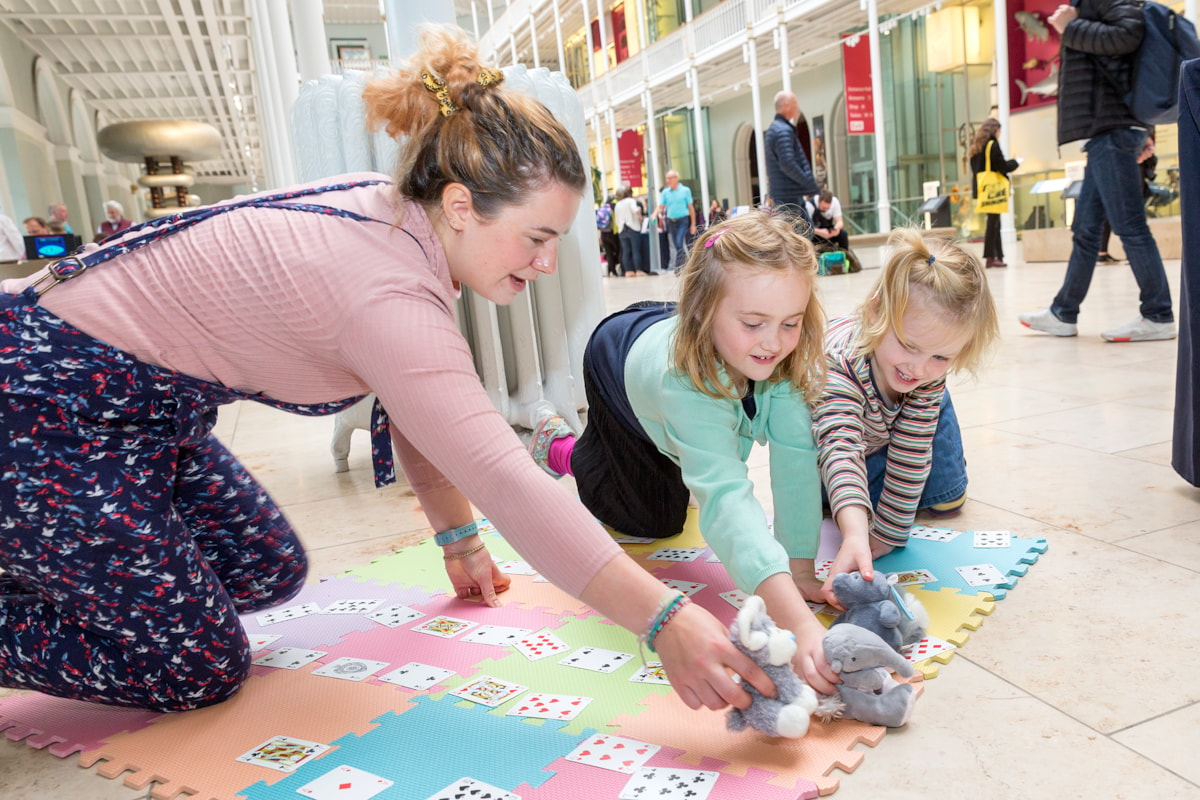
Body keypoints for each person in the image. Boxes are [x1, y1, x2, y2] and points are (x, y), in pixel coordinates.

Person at [0, 25, 776, 714]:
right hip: (42, 400)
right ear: (464, 205)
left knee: (268, 571)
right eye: (536, 238)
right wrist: (665, 620)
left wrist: (457, 539)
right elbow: (510, 480)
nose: (545, 264)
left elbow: (414, 409)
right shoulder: (388, 294)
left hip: (146, 412)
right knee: (196, 664)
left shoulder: (400, 222)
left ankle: (60, 554)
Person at [526, 211, 839, 694]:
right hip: (617, 357)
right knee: (649, 521)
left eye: (791, 323)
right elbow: (727, 500)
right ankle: (563, 448)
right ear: (703, 310)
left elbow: (796, 464)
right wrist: (797, 623)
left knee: (689, 467)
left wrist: (798, 569)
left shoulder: (782, 357)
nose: (774, 342)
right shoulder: (684, 381)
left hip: (675, 347)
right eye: (754, 323)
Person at [810, 229, 998, 607]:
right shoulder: (838, 364)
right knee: (838, 506)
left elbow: (913, 448)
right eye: (909, 346)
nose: (920, 367)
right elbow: (840, 448)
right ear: (877, 310)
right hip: (836, 438)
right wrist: (857, 533)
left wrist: (890, 533)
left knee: (947, 500)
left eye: (942, 357)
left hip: (891, 427)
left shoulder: (925, 369)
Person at [1018, 1, 1176, 343]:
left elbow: (1127, 37)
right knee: (1086, 230)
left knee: (1129, 225)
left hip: (1113, 128)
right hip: (1107, 130)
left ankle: (1159, 313)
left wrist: (1071, 27)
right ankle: (1064, 312)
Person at [1097, 131, 1158, 264]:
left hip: (1119, 183)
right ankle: (1135, 256)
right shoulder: (1137, 142)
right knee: (1132, 220)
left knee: (1112, 219)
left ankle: (1104, 253)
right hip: (1131, 186)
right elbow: (1150, 171)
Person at [764, 91, 817, 236]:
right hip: (788, 193)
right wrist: (809, 184)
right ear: (786, 106)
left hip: (789, 192)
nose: (797, 106)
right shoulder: (782, 131)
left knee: (806, 231)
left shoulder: (778, 129)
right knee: (798, 235)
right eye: (795, 103)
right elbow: (788, 163)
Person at [968, 117, 1019, 268]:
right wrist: (1015, 162)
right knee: (993, 223)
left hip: (983, 189)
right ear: (994, 130)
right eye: (999, 131)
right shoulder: (992, 145)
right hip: (993, 189)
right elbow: (1002, 166)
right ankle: (991, 256)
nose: (999, 134)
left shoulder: (976, 147)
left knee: (993, 222)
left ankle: (997, 256)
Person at [806, 190, 860, 273]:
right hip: (815, 233)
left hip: (829, 232)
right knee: (808, 238)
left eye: (828, 208)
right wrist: (820, 232)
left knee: (843, 234)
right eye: (824, 208)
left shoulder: (835, 202)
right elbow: (807, 227)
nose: (826, 210)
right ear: (819, 201)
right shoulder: (809, 205)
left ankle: (845, 259)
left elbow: (840, 221)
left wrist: (836, 229)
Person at [655, 170, 696, 271]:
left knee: (679, 242)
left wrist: (693, 224)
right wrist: (654, 214)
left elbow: (691, 208)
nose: (668, 180)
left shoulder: (685, 190)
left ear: (676, 178)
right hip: (671, 221)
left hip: (683, 220)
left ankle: (679, 266)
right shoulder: (665, 192)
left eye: (670, 178)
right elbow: (661, 206)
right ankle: (684, 264)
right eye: (667, 178)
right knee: (675, 243)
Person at [614, 184, 647, 276]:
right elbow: (635, 211)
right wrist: (640, 209)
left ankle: (628, 271)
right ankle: (638, 270)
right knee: (635, 250)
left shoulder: (617, 205)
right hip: (632, 228)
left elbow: (616, 219)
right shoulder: (630, 201)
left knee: (626, 251)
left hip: (622, 230)